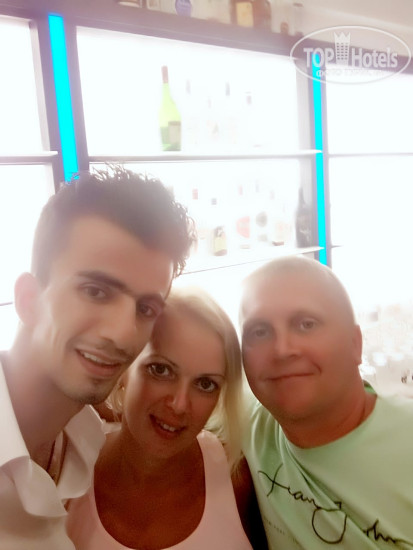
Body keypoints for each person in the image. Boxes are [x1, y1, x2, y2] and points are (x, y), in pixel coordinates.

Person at [0, 165, 194, 550]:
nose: (123, 334)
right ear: (28, 300)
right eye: (95, 291)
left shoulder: (85, 438)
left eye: (146, 309)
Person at [66, 286, 268, 550]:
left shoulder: (235, 477)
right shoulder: (64, 474)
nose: (180, 405)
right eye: (160, 370)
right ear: (123, 369)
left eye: (205, 384)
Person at [239, 255, 413, 550]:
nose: (282, 349)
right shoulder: (247, 422)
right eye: (259, 331)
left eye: (306, 324)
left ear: (355, 344)